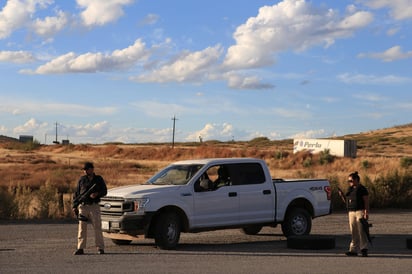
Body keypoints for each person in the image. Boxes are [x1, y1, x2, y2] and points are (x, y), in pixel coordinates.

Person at [72, 162, 107, 255]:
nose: (85, 171)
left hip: (94, 206)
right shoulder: (82, 180)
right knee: (82, 228)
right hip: (83, 206)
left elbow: (104, 191)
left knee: (97, 227)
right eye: (84, 170)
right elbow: (77, 193)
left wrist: (97, 194)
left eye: (86, 169)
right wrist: (74, 206)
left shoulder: (98, 179)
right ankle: (80, 248)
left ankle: (100, 248)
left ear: (91, 169)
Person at [339, 171, 370, 257]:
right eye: (348, 181)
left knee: (361, 230)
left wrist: (366, 212)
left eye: (351, 181)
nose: (350, 183)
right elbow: (347, 202)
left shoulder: (362, 189)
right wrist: (342, 195)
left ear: (356, 180)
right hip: (351, 212)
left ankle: (364, 249)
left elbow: (366, 201)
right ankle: (353, 250)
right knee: (353, 231)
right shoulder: (350, 190)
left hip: (360, 211)